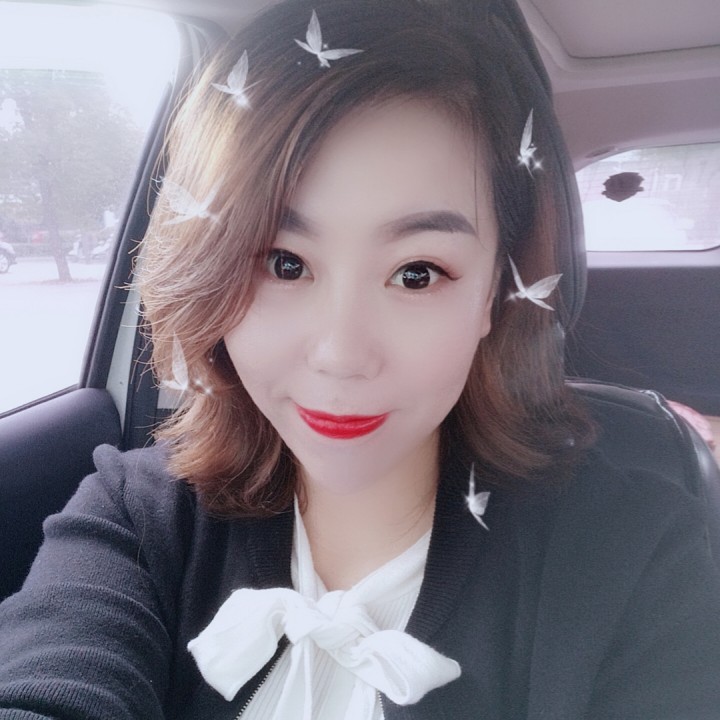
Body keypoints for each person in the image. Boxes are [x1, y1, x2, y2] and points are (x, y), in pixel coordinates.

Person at [1, 0, 719, 718]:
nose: (340, 356)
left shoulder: (635, 552)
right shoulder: (136, 517)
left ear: (495, 294)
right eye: (284, 263)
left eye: (417, 273)